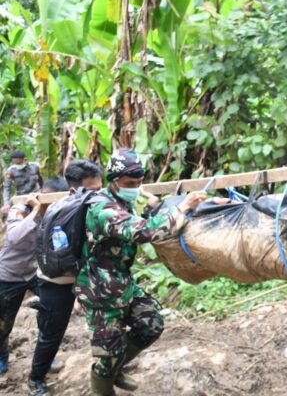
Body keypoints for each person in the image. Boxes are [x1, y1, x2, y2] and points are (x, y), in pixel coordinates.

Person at [74, 148, 206, 395]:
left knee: (151, 323)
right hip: (100, 290)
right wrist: (182, 207)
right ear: (114, 181)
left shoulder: (123, 201)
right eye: (129, 183)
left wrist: (151, 208)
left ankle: (116, 366)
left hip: (122, 283)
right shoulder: (102, 208)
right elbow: (141, 232)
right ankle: (106, 380)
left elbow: (136, 224)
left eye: (139, 182)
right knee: (106, 357)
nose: (136, 187)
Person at [27, 160, 104, 396]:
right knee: (52, 334)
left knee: (104, 321)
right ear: (73, 190)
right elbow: (55, 258)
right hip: (57, 281)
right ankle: (35, 378)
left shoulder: (99, 209)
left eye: (100, 190)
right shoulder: (61, 212)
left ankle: (109, 363)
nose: (97, 196)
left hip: (84, 277)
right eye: (91, 191)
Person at [0, 178, 68, 375]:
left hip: (35, 272)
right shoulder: (19, 210)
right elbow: (14, 237)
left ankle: (47, 355)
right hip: (8, 275)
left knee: (50, 312)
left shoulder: (57, 213)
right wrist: (37, 210)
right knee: (3, 323)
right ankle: (2, 357)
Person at [2, 150, 43, 216]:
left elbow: (41, 180)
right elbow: (7, 188)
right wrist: (6, 203)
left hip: (35, 195)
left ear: (25, 160)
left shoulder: (35, 167)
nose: (17, 165)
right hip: (21, 198)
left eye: (19, 163)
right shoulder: (11, 171)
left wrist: (42, 190)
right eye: (15, 163)